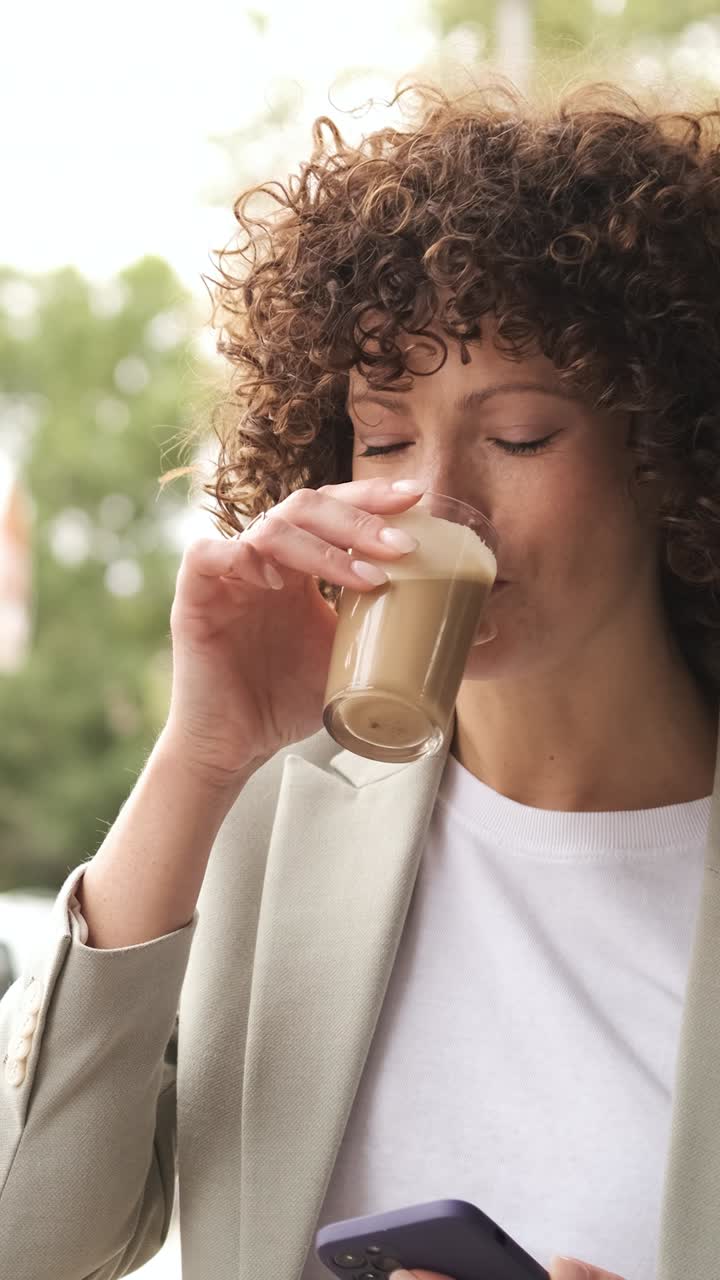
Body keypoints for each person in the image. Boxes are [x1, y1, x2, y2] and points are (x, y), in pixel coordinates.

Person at [1, 76, 719, 1280]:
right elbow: (29, 1234)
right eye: (383, 438)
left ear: (670, 450)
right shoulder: (269, 814)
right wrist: (200, 758)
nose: (435, 503)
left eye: (522, 434)